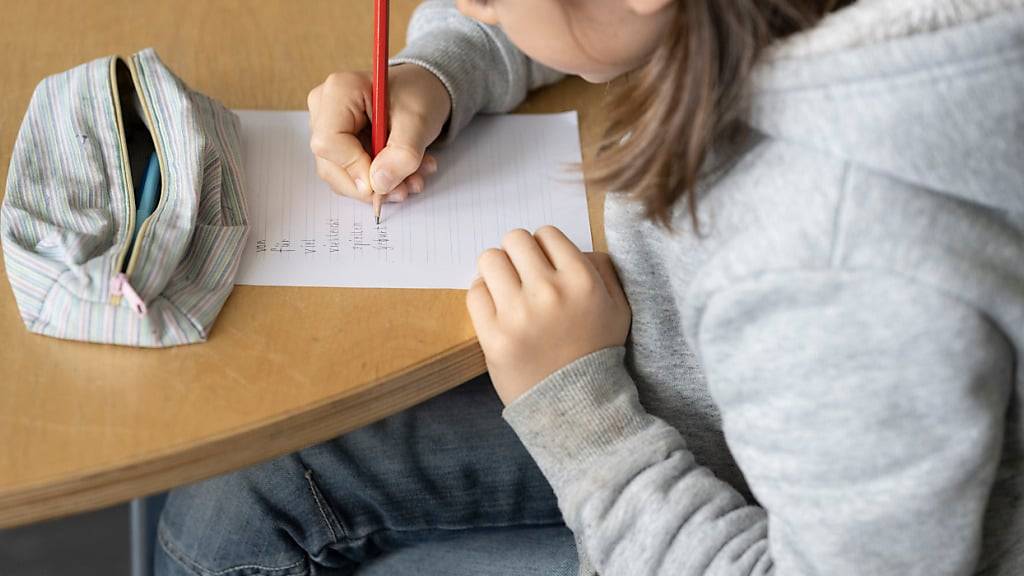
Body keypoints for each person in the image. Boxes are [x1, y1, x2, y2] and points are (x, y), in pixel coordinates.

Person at [156, 0, 1024, 574]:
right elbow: (599, 20)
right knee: (237, 486)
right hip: (719, 413)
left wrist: (581, 417)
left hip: (742, 510)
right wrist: (442, 71)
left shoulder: (838, 255)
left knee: (229, 532)